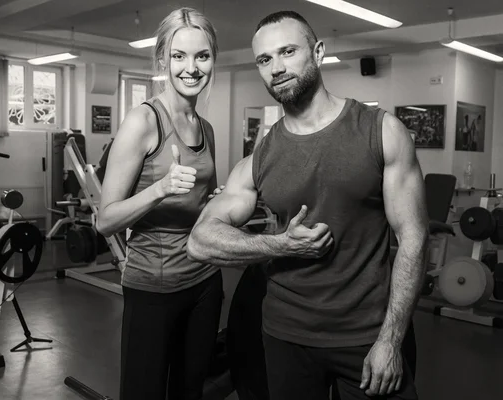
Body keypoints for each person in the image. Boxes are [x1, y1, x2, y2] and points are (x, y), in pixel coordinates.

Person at [187, 10, 429, 400]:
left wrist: (391, 341)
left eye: (287, 52)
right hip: (286, 338)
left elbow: (414, 238)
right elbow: (200, 241)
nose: (276, 68)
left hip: (368, 336)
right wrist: (280, 245)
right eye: (265, 60)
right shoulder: (261, 157)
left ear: (317, 52)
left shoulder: (381, 132)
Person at [95, 7, 224, 400]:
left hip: (204, 282)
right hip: (153, 286)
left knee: (190, 390)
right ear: (162, 60)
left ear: (213, 59)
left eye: (202, 56)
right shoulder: (143, 121)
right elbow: (105, 221)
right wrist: (159, 189)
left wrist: (217, 203)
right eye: (179, 56)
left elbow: (202, 207)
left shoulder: (206, 128)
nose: (191, 67)